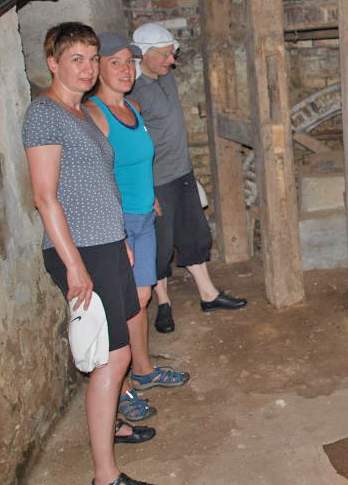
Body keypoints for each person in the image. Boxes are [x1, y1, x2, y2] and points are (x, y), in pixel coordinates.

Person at [22, 22, 155, 485]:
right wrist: (76, 266)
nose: (86, 68)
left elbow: (100, 189)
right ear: (53, 63)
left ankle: (112, 427)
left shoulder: (82, 115)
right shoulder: (45, 114)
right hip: (80, 251)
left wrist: (120, 240)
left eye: (91, 58)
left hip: (105, 244)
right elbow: (44, 196)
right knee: (112, 358)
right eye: (75, 59)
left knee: (111, 353)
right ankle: (105, 475)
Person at [86, 33, 190, 420]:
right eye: (116, 62)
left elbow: (136, 163)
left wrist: (151, 197)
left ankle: (143, 371)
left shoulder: (131, 107)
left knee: (142, 298)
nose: (126, 69)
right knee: (122, 304)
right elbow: (95, 177)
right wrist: (116, 230)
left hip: (143, 216)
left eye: (130, 62)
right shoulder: (95, 114)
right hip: (119, 223)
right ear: (98, 67)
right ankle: (124, 386)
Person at [127, 22, 246, 333]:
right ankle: (163, 303)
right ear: (144, 55)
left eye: (172, 54)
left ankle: (209, 294)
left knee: (194, 236)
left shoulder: (167, 79)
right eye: (165, 55)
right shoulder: (134, 92)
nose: (172, 61)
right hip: (156, 181)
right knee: (160, 247)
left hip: (182, 173)